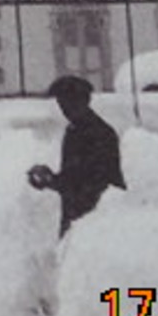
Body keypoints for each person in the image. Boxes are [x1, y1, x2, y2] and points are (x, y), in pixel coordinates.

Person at [28, 74, 126, 235]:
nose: (64, 110)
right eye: (61, 105)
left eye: (68, 104)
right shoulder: (74, 131)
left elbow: (89, 183)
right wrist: (50, 180)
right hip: (80, 220)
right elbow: (74, 177)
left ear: (83, 102)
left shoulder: (100, 134)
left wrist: (52, 180)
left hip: (97, 223)